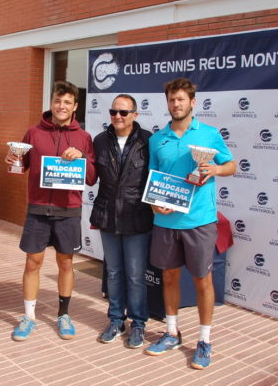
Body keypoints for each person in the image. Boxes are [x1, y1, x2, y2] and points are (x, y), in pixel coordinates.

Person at [145, 77, 236, 369]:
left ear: (192, 102)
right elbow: (153, 178)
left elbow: (232, 165)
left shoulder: (209, 134)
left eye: (181, 99)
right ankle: (172, 332)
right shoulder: (157, 139)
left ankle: (205, 340)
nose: (176, 104)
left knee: (202, 280)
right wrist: (154, 202)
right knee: (169, 277)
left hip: (199, 221)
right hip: (166, 223)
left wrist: (217, 168)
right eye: (172, 100)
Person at [6, 80, 97, 342]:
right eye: (57, 101)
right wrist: (11, 159)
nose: (61, 106)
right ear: (51, 103)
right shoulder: (33, 133)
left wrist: (81, 156)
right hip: (38, 208)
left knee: (65, 263)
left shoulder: (84, 138)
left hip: (68, 208)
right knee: (32, 262)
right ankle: (29, 316)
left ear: (75, 106)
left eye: (67, 102)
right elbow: (19, 166)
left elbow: (92, 177)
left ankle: (63, 314)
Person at [90, 94, 153, 348]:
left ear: (135, 115)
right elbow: (92, 175)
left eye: (123, 112)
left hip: (137, 217)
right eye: (113, 111)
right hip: (108, 216)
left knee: (136, 275)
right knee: (114, 273)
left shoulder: (149, 141)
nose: (117, 116)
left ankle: (138, 324)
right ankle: (116, 319)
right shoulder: (100, 141)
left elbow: (158, 177)